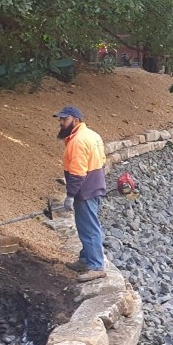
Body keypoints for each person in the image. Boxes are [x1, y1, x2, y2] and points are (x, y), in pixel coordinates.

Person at [55, 105, 108, 272]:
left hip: (85, 191)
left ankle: (96, 266)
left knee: (89, 228)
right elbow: (103, 160)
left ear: (76, 120)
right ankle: (86, 259)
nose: (61, 122)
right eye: (60, 119)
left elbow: (77, 173)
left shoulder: (78, 141)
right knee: (88, 225)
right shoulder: (93, 135)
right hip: (95, 185)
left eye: (64, 119)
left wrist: (70, 195)